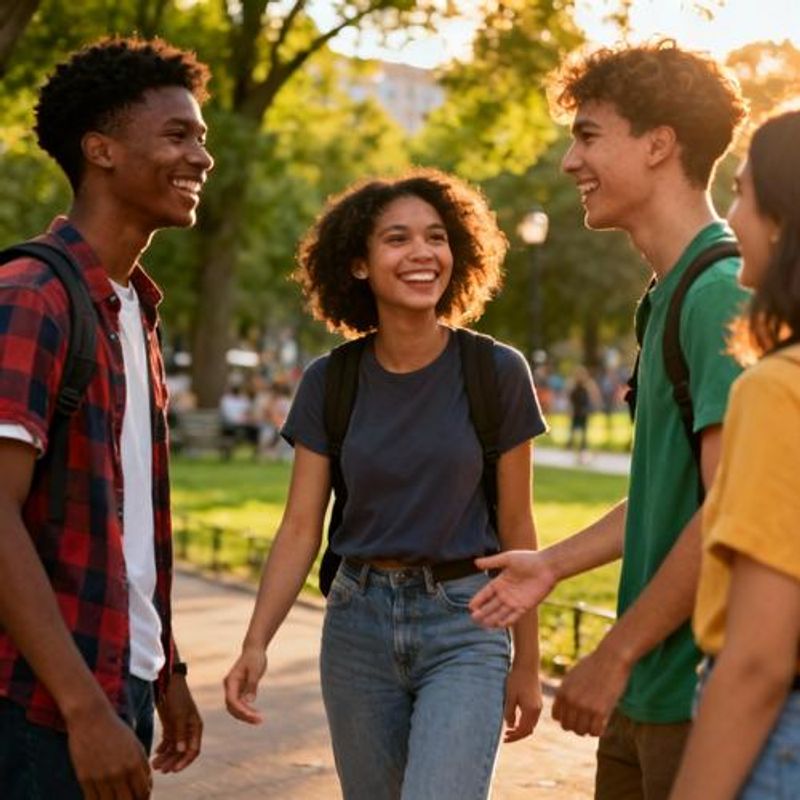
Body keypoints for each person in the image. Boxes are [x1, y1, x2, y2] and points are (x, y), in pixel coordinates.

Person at [469, 41, 748, 799]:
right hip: (647, 692)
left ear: (659, 144)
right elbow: (670, 492)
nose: (570, 161)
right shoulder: (667, 296)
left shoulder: (719, 294)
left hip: (697, 694)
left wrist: (615, 652)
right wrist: (552, 564)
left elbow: (730, 511)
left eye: (588, 135)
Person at [224, 168, 546, 800]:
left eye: (436, 237)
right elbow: (300, 527)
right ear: (358, 264)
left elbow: (519, 529)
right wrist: (255, 643)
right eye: (397, 239)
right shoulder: (330, 382)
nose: (423, 253)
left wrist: (527, 664)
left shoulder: (496, 371)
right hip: (357, 626)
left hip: (467, 622)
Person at [0, 37, 213, 798]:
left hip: (121, 677)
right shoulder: (33, 295)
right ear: (102, 151)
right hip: (38, 704)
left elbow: (126, 522)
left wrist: (165, 668)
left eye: (202, 138)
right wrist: (83, 708)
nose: (202, 158)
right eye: (178, 135)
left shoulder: (131, 306)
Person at [669, 109, 800, 799]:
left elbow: (759, 659)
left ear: (782, 221)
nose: (731, 218)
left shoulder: (779, 389)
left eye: (744, 194)